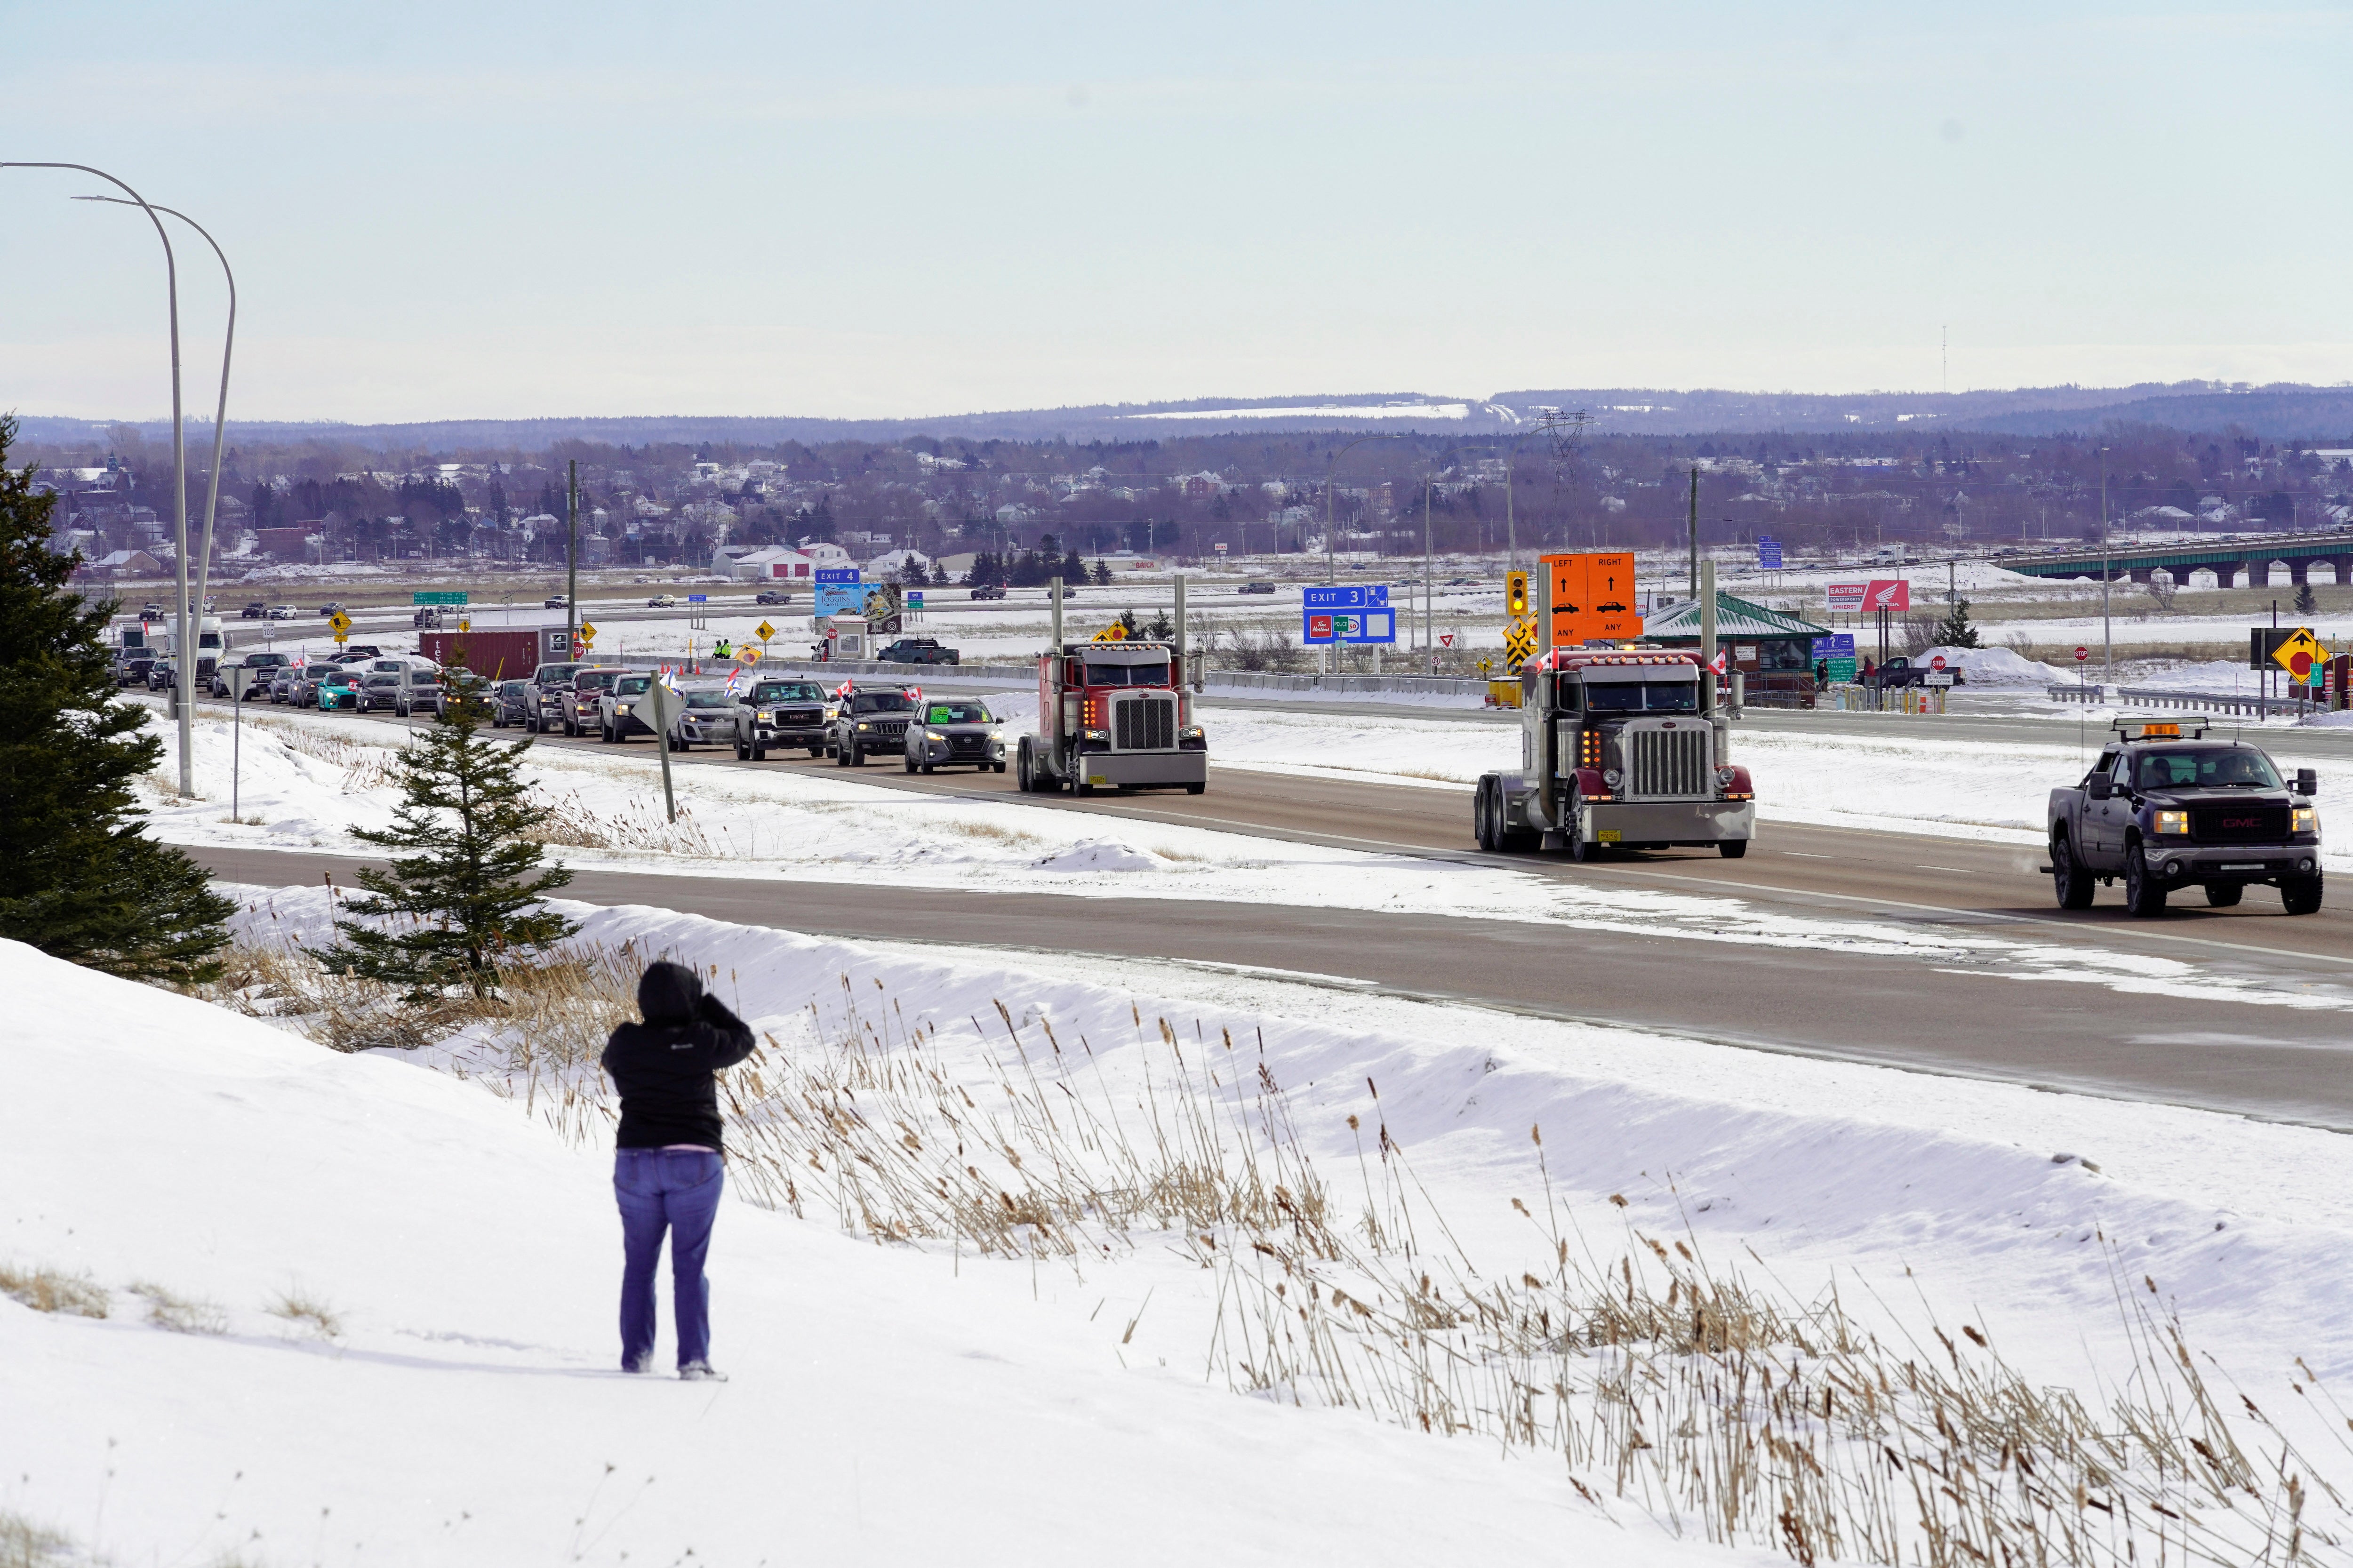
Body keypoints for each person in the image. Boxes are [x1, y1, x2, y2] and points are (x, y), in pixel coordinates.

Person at [600, 960, 755, 1380]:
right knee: (689, 1265)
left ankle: (635, 1358)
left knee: (639, 1264)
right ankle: (693, 1362)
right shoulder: (701, 1038)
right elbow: (744, 1040)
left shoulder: (626, 1040)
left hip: (635, 1161)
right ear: (691, 999)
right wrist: (702, 1004)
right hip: (694, 1159)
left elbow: (612, 1064)